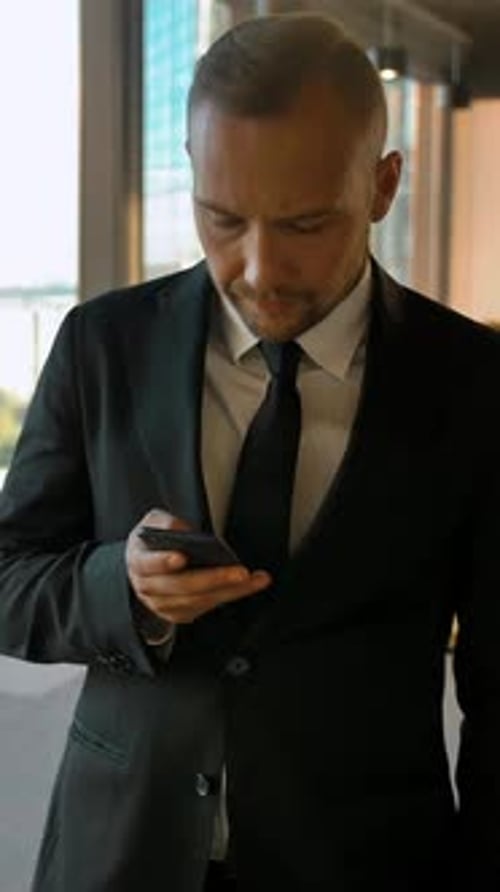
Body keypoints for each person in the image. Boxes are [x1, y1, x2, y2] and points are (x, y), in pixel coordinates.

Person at [0, 11, 500, 892]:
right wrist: (121, 588)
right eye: (223, 219)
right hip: (118, 858)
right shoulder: (100, 346)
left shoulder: (477, 382)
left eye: (307, 225)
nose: (261, 268)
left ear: (384, 186)